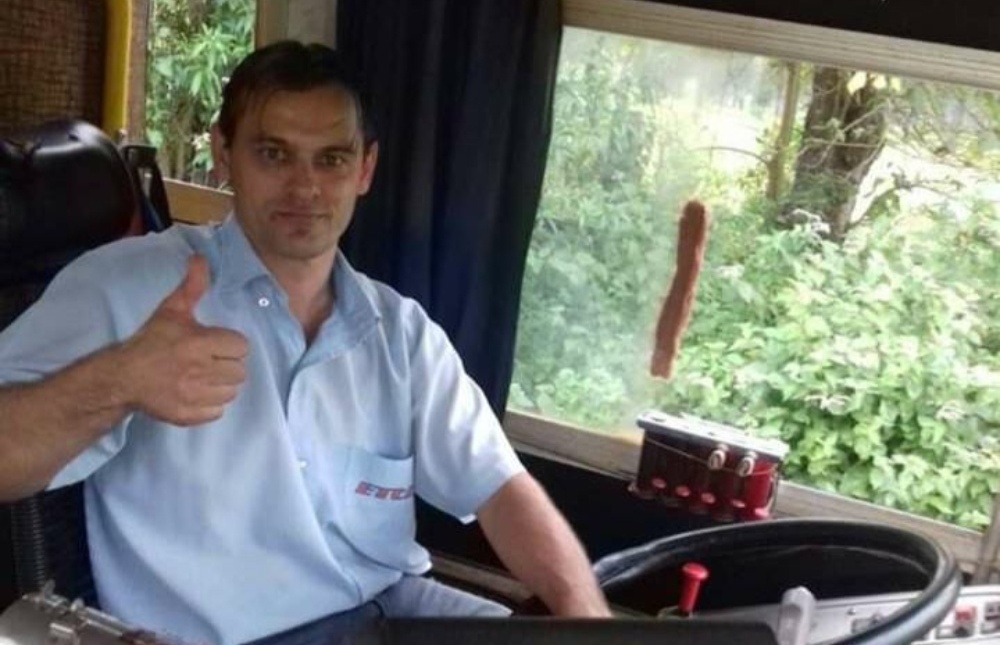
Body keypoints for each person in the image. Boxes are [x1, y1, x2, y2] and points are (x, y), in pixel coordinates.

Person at [0, 40, 610, 645]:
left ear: (365, 169)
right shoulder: (127, 289)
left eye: (332, 159)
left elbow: (500, 488)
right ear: (223, 153)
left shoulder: (400, 332)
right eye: (274, 154)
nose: (305, 187)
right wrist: (120, 381)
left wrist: (591, 623)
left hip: (391, 609)